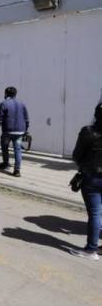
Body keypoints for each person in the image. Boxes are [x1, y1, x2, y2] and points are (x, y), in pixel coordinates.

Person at [70, 103, 102, 260]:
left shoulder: (88, 132)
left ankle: (91, 250)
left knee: (95, 214)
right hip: (93, 175)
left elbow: (76, 156)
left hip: (92, 177)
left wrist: (84, 164)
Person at [0, 86, 29, 177]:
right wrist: (26, 130)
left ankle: (6, 164)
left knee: (4, 147)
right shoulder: (22, 103)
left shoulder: (4, 103)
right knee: (17, 149)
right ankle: (17, 170)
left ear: (6, 94)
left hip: (8, 131)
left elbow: (0, 118)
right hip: (20, 131)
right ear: (15, 94)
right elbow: (26, 118)